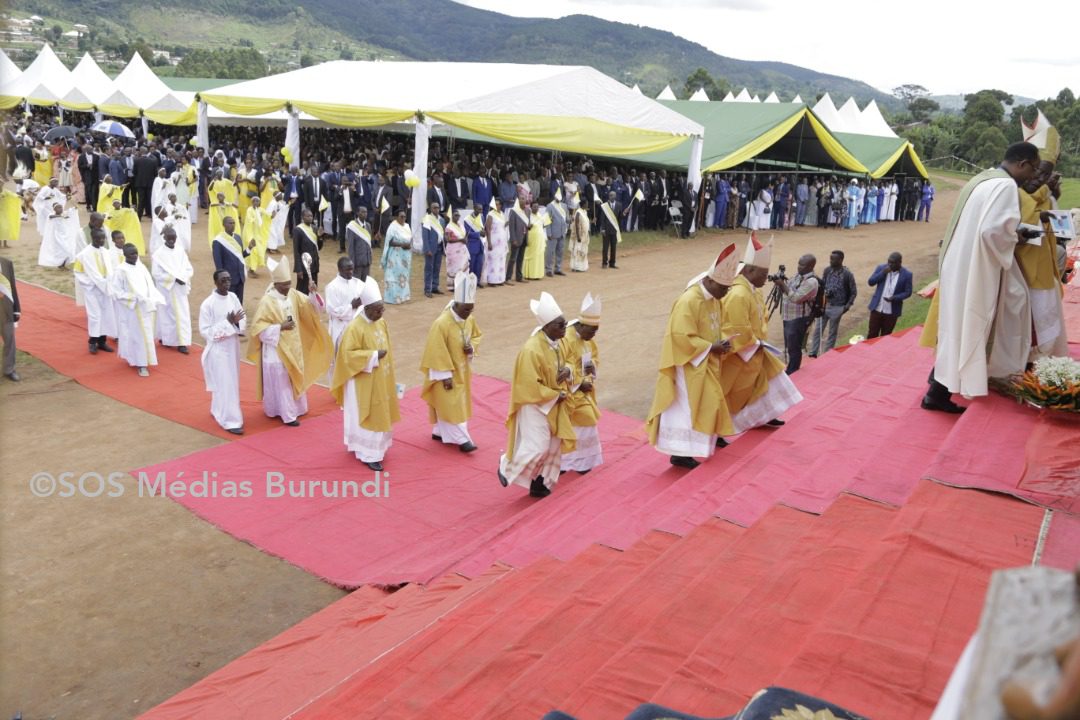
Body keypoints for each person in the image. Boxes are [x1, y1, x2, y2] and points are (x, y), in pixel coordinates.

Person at [919, 142, 1042, 412]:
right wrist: (1016, 237)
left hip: (959, 263)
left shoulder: (982, 178)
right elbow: (991, 232)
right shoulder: (1006, 186)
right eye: (1033, 169)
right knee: (977, 324)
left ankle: (937, 386)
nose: (1033, 176)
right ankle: (939, 392)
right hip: (977, 269)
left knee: (957, 326)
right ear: (1022, 163)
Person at [645, 245, 740, 469]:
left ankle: (696, 447)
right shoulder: (689, 300)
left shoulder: (714, 299)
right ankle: (680, 452)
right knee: (689, 407)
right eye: (724, 288)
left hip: (704, 360)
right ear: (711, 281)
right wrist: (710, 347)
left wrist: (723, 342)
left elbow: (719, 326)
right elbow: (681, 336)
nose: (726, 293)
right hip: (687, 363)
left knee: (708, 401)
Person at [497, 291, 576, 498]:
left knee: (553, 446)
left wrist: (568, 369)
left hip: (554, 403)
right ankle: (507, 465)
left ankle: (540, 483)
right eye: (560, 325)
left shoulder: (561, 341)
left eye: (565, 323)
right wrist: (554, 394)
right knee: (538, 446)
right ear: (546, 326)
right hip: (534, 404)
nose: (564, 328)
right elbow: (527, 384)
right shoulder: (531, 350)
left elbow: (570, 359)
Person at [721, 236, 803, 433]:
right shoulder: (738, 294)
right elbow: (736, 327)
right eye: (763, 273)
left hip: (756, 347)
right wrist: (754, 343)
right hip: (741, 352)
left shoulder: (753, 290)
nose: (766, 278)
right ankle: (722, 428)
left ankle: (766, 414)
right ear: (749, 270)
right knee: (731, 392)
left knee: (772, 377)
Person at [247, 255, 333, 426]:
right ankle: (287, 414)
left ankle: (297, 408)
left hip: (294, 345)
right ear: (276, 284)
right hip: (276, 349)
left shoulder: (292, 294)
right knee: (281, 380)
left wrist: (312, 292)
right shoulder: (267, 301)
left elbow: (311, 308)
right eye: (284, 286)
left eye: (289, 284)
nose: (288, 288)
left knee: (293, 376)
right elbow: (258, 329)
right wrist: (280, 327)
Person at [330, 276, 400, 471]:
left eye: (382, 309)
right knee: (367, 414)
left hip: (380, 378)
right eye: (377, 310)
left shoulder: (380, 322)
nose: (381, 313)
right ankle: (368, 452)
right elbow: (347, 356)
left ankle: (380, 447)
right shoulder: (354, 327)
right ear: (367, 308)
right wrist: (373, 356)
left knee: (381, 411)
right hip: (362, 380)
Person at [420, 272, 482, 453]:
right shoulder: (442, 323)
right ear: (456, 304)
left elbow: (477, 336)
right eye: (466, 309)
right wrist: (444, 376)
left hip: (462, 369)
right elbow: (435, 351)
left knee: (455, 403)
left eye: (471, 309)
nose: (469, 314)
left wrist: (472, 348)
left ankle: (439, 431)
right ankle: (462, 439)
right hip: (446, 372)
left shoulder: (468, 318)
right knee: (451, 404)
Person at [1017, 149, 1069, 360]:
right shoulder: (1013, 192)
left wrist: (1052, 196)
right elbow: (1025, 219)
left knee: (1043, 317)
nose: (1037, 178)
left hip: (1042, 267)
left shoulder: (1043, 195)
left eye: (1045, 175)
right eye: (1037, 172)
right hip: (1018, 269)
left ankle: (1036, 358)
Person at [198, 269, 246, 435]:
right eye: (223, 280)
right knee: (226, 384)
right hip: (218, 350)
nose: (227, 283)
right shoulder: (208, 304)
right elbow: (205, 332)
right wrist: (227, 323)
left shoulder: (233, 297)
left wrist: (237, 325)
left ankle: (218, 410)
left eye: (228, 280)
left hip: (232, 346)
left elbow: (242, 317)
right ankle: (231, 421)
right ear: (215, 282)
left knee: (231, 381)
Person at [559, 292, 603, 474]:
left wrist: (592, 368)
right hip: (567, 391)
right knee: (584, 419)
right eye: (591, 330)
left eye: (596, 331)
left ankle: (581, 461)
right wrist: (579, 383)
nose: (593, 335)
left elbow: (593, 358)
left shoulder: (587, 339)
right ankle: (564, 462)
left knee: (586, 420)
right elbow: (561, 366)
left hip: (581, 390)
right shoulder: (566, 338)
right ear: (581, 325)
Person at [110, 243, 165, 377]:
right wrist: (133, 298)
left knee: (146, 334)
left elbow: (150, 285)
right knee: (137, 336)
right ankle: (141, 363)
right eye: (132, 254)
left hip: (146, 307)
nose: (135, 256)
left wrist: (153, 297)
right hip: (133, 309)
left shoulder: (141, 268)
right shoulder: (121, 270)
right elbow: (116, 292)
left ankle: (143, 358)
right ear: (125, 255)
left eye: (136, 253)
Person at [72, 227, 118, 354]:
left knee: (106, 314)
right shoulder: (83, 255)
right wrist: (91, 283)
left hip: (106, 289)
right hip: (93, 289)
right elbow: (78, 272)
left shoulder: (105, 252)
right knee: (95, 315)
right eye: (99, 238)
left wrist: (108, 281)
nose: (102, 241)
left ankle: (102, 341)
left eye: (103, 238)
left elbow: (110, 269)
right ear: (93, 238)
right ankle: (92, 341)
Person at [151, 228, 194, 354]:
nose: (171, 240)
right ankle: (167, 339)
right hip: (167, 290)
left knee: (182, 315)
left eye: (173, 237)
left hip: (180, 290)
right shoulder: (159, 254)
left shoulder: (180, 251)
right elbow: (156, 273)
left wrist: (183, 278)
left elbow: (188, 268)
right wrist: (174, 279)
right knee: (167, 314)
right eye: (169, 237)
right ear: (164, 237)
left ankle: (182, 342)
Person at [775, 254, 818, 374]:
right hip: (789, 317)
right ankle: (791, 368)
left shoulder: (812, 282)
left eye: (802, 265)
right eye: (799, 263)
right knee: (790, 345)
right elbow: (789, 287)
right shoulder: (798, 276)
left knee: (794, 347)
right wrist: (781, 281)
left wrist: (782, 284)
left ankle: (793, 371)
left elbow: (796, 298)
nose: (799, 267)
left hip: (798, 319)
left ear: (810, 266)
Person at [809, 250, 857, 357]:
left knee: (832, 332)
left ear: (840, 260)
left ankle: (827, 354)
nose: (830, 260)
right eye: (830, 258)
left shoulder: (847, 274)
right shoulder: (827, 270)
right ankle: (813, 352)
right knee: (818, 330)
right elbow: (823, 284)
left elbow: (853, 292)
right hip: (825, 304)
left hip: (838, 307)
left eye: (833, 259)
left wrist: (847, 307)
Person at [866, 252, 913, 339]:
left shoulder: (907, 275)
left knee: (886, 337)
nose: (889, 265)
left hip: (892, 312)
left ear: (899, 262)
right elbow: (871, 282)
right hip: (877, 309)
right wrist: (883, 273)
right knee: (872, 334)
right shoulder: (881, 268)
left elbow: (908, 292)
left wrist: (895, 298)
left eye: (892, 263)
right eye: (888, 262)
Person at [326, 256, 364, 354]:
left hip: (356, 326)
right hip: (341, 328)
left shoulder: (357, 283)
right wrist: (351, 306)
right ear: (340, 269)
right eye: (347, 269)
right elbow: (333, 311)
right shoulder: (332, 287)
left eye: (352, 268)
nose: (351, 272)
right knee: (341, 355)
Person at [212, 216, 252, 303]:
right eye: (230, 223)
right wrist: (222, 280)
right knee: (228, 302)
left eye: (234, 223)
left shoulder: (238, 238)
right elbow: (218, 264)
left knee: (239, 301)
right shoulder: (218, 241)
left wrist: (249, 248)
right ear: (224, 225)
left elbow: (240, 256)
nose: (232, 225)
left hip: (240, 277)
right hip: (228, 279)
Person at [382, 210, 413, 304]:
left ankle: (403, 297)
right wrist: (402, 245)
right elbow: (389, 242)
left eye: (404, 217)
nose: (403, 218)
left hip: (405, 257)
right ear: (397, 217)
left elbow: (410, 238)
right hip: (395, 256)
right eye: (401, 216)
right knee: (393, 276)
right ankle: (392, 298)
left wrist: (409, 245)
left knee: (403, 277)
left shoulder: (407, 226)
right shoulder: (393, 227)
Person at [38, 202, 79, 269]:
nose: (61, 209)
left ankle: (62, 264)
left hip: (65, 236)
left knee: (68, 250)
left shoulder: (65, 213)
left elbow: (75, 208)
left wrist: (71, 201)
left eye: (61, 207)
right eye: (59, 207)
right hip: (56, 237)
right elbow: (51, 217)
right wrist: (60, 216)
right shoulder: (51, 215)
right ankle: (60, 264)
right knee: (62, 250)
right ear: (54, 209)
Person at [0, 255, 21, 381]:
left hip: (6, 308)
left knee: (9, 338)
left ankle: (9, 369)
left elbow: (12, 286)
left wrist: (17, 309)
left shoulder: (6, 263)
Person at [292, 208, 320, 295]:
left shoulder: (314, 228)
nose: (310, 218)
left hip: (314, 265)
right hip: (304, 267)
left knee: (312, 289)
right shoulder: (298, 230)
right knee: (302, 290)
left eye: (311, 216)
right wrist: (298, 269)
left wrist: (321, 237)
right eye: (307, 216)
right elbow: (296, 251)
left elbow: (318, 247)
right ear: (302, 217)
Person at [242, 195, 270, 278]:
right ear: (252, 202)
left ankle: (252, 269)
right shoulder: (249, 210)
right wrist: (258, 217)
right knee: (253, 251)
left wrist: (271, 215)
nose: (257, 203)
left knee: (259, 251)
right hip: (250, 234)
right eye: (255, 201)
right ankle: (251, 270)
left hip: (258, 235)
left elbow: (268, 216)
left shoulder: (260, 210)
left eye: (258, 201)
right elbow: (249, 221)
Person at [422, 202, 446, 298]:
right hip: (431, 248)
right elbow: (425, 236)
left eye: (438, 207)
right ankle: (427, 289)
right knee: (429, 269)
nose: (436, 209)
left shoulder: (442, 220)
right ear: (431, 209)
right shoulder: (427, 219)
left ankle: (435, 286)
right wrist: (427, 249)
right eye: (434, 208)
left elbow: (442, 235)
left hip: (439, 247)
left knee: (437, 268)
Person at [484, 198, 508, 286]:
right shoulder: (490, 214)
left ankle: (500, 279)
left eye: (498, 204)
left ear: (501, 205)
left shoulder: (502, 214)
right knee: (493, 260)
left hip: (502, 241)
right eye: (495, 204)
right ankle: (492, 280)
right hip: (493, 240)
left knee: (501, 259)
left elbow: (502, 225)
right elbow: (488, 228)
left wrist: (507, 223)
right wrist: (489, 242)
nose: (497, 205)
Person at [444, 209, 470, 290]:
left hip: (462, 249)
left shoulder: (461, 225)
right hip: (453, 250)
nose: (457, 217)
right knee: (454, 268)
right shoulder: (449, 226)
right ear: (452, 216)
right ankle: (453, 286)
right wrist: (460, 240)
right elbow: (448, 239)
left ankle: (462, 284)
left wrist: (465, 240)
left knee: (462, 266)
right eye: (455, 215)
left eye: (458, 215)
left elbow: (464, 235)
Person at [506, 198, 530, 284]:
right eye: (522, 203)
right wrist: (513, 239)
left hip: (524, 237)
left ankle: (519, 277)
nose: (524, 205)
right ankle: (508, 277)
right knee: (513, 259)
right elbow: (511, 226)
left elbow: (527, 223)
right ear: (518, 203)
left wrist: (529, 227)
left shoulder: (528, 211)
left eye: (525, 203)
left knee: (521, 258)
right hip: (516, 238)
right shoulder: (514, 211)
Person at [345, 206, 373, 280]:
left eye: (366, 212)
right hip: (357, 263)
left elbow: (368, 243)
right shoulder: (352, 226)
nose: (365, 214)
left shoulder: (368, 226)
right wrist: (352, 263)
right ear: (358, 213)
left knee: (365, 285)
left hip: (367, 261)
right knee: (356, 285)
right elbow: (351, 247)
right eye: (362, 212)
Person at [545, 192, 568, 277]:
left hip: (562, 232)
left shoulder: (564, 206)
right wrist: (549, 233)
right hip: (553, 233)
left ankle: (558, 268)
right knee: (550, 252)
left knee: (560, 251)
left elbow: (567, 219)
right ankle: (548, 269)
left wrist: (567, 225)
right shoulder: (550, 206)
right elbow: (547, 220)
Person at [523, 201, 547, 280]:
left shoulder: (540, 215)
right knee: (530, 256)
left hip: (539, 239)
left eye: (537, 207)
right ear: (531, 207)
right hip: (531, 239)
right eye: (534, 207)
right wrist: (528, 226)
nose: (536, 208)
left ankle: (538, 274)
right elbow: (525, 227)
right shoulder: (528, 216)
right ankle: (529, 274)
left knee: (538, 256)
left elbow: (543, 225)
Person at [599, 191, 622, 269]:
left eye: (612, 195)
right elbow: (602, 218)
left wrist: (624, 214)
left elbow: (620, 218)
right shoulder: (604, 206)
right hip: (606, 229)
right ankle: (604, 263)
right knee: (605, 247)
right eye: (610, 195)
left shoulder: (619, 205)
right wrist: (602, 229)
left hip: (614, 229)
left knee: (613, 247)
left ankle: (612, 263)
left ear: (615, 196)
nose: (611, 196)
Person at [463, 202, 486, 281]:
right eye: (479, 209)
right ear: (474, 209)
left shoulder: (482, 217)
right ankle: (470, 281)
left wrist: (483, 233)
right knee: (472, 264)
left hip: (480, 244)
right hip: (472, 244)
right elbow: (467, 233)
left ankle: (477, 281)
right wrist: (479, 233)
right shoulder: (467, 219)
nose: (481, 211)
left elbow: (482, 228)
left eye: (482, 209)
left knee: (479, 264)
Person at [568, 201, 590, 272]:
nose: (587, 205)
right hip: (579, 235)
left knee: (583, 250)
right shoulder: (578, 213)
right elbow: (577, 225)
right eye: (586, 204)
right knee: (578, 251)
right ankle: (576, 267)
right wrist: (578, 236)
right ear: (583, 204)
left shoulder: (584, 212)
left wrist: (592, 221)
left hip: (585, 235)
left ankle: (582, 266)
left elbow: (585, 222)